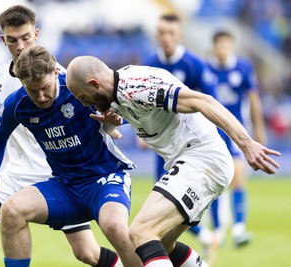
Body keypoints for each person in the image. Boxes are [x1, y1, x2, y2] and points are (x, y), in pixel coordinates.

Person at [0, 5, 122, 267]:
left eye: (26, 37)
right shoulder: (0, 75)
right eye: (12, 40)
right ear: (3, 40)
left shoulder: (61, 77)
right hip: (14, 176)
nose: (20, 46)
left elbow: (107, 111)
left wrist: (113, 126)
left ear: (36, 34)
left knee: (87, 253)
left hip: (55, 176)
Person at [65, 55, 280, 267]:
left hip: (202, 158)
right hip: (194, 161)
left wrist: (246, 144)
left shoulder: (139, 87)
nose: (83, 103)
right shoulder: (114, 94)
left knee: (141, 232)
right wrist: (113, 124)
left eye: (82, 96)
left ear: (94, 84)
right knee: (164, 243)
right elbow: (126, 117)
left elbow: (203, 101)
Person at [0, 45, 142, 267]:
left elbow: (126, 113)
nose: (41, 97)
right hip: (65, 186)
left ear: (56, 72)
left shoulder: (78, 87)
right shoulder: (18, 104)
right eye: (32, 90)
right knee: (11, 210)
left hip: (104, 179)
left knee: (113, 227)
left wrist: (113, 125)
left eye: (45, 87)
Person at [140, 12, 218, 257]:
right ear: (156, 35)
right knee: (163, 198)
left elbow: (210, 102)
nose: (166, 38)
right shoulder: (150, 63)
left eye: (171, 33)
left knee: (177, 198)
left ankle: (203, 236)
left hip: (190, 144)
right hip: (161, 144)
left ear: (180, 35)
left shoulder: (194, 65)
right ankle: (203, 238)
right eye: (162, 33)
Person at [207, 30, 267, 247]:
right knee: (214, 181)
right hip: (213, 132)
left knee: (238, 177)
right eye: (219, 45)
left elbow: (253, 100)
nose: (222, 49)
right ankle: (217, 230)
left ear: (231, 46)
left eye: (226, 45)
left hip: (236, 131)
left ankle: (239, 228)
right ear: (214, 47)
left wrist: (259, 129)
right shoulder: (206, 69)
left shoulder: (243, 68)